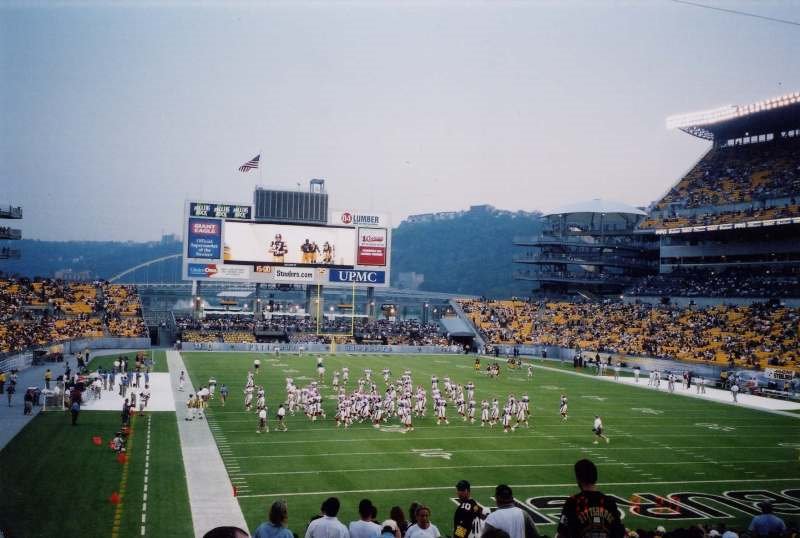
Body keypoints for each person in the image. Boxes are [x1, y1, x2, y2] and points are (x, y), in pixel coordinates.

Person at [556, 459, 624, 538]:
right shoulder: (609, 502)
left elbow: (562, 532)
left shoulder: (572, 502)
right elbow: (618, 532)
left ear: (578, 479)